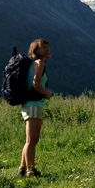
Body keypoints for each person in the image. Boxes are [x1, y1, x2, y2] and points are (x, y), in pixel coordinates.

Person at [19, 38, 53, 177]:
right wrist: (47, 93)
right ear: (36, 50)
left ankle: (23, 167)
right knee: (32, 140)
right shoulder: (39, 63)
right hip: (34, 104)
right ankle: (30, 171)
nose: (47, 50)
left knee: (30, 140)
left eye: (47, 47)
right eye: (43, 47)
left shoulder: (35, 63)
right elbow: (36, 84)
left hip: (30, 104)